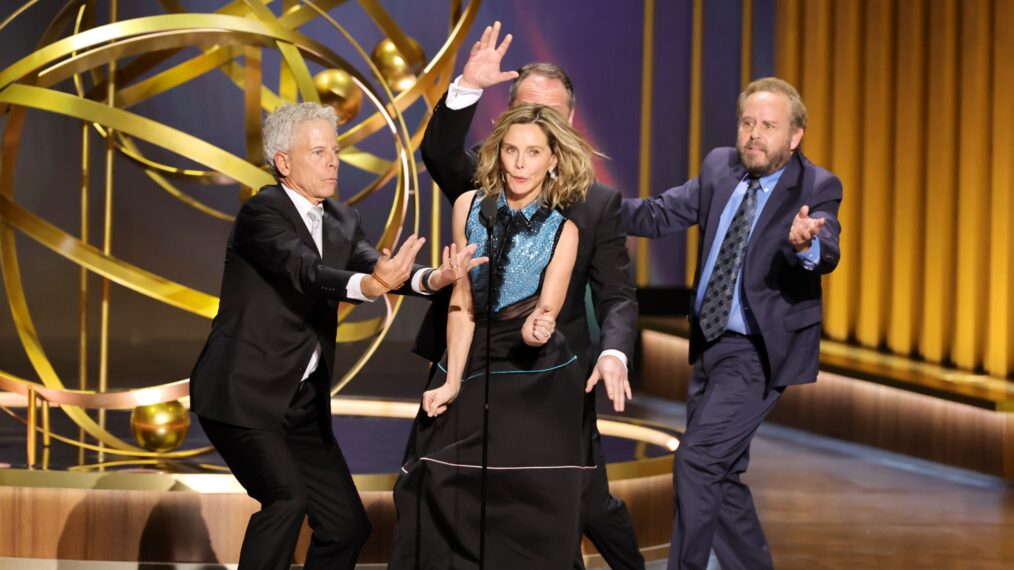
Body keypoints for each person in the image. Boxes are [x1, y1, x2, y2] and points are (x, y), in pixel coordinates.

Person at [189, 102, 484, 570]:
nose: (333, 162)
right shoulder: (261, 214)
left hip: (300, 404)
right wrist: (368, 288)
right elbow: (305, 271)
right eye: (319, 152)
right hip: (240, 395)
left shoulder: (343, 220)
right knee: (286, 500)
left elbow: (378, 267)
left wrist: (435, 279)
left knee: (346, 525)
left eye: (337, 150)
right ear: (283, 162)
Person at [415, 22, 644, 569]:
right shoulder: (489, 178)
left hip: (550, 372)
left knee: (582, 502)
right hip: (469, 356)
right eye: (522, 111)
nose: (528, 138)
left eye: (547, 114)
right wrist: (466, 86)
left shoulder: (596, 203)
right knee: (440, 483)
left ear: (567, 123)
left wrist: (613, 351)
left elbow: (616, 294)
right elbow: (440, 154)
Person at [621, 77, 842, 569]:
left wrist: (807, 245)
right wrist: (589, 204)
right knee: (719, 475)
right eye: (748, 122)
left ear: (794, 136)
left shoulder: (817, 186)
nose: (754, 135)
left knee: (697, 462)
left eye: (768, 125)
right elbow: (659, 215)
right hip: (709, 345)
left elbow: (827, 250)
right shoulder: (720, 166)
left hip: (757, 353)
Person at [390, 103, 598, 568]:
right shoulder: (468, 207)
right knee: (435, 478)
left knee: (528, 497)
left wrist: (537, 328)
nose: (520, 163)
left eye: (532, 152)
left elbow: (547, 309)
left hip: (533, 369)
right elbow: (461, 303)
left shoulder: (564, 230)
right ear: (498, 154)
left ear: (553, 160)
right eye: (510, 150)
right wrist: (451, 380)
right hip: (471, 350)